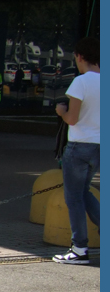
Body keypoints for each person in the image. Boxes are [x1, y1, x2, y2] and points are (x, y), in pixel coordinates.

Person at [53, 37, 100, 265]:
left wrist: (61, 110)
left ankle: (79, 248)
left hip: (79, 146)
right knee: (84, 193)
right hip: (99, 147)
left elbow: (72, 118)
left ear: (80, 57)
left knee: (74, 198)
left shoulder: (81, 82)